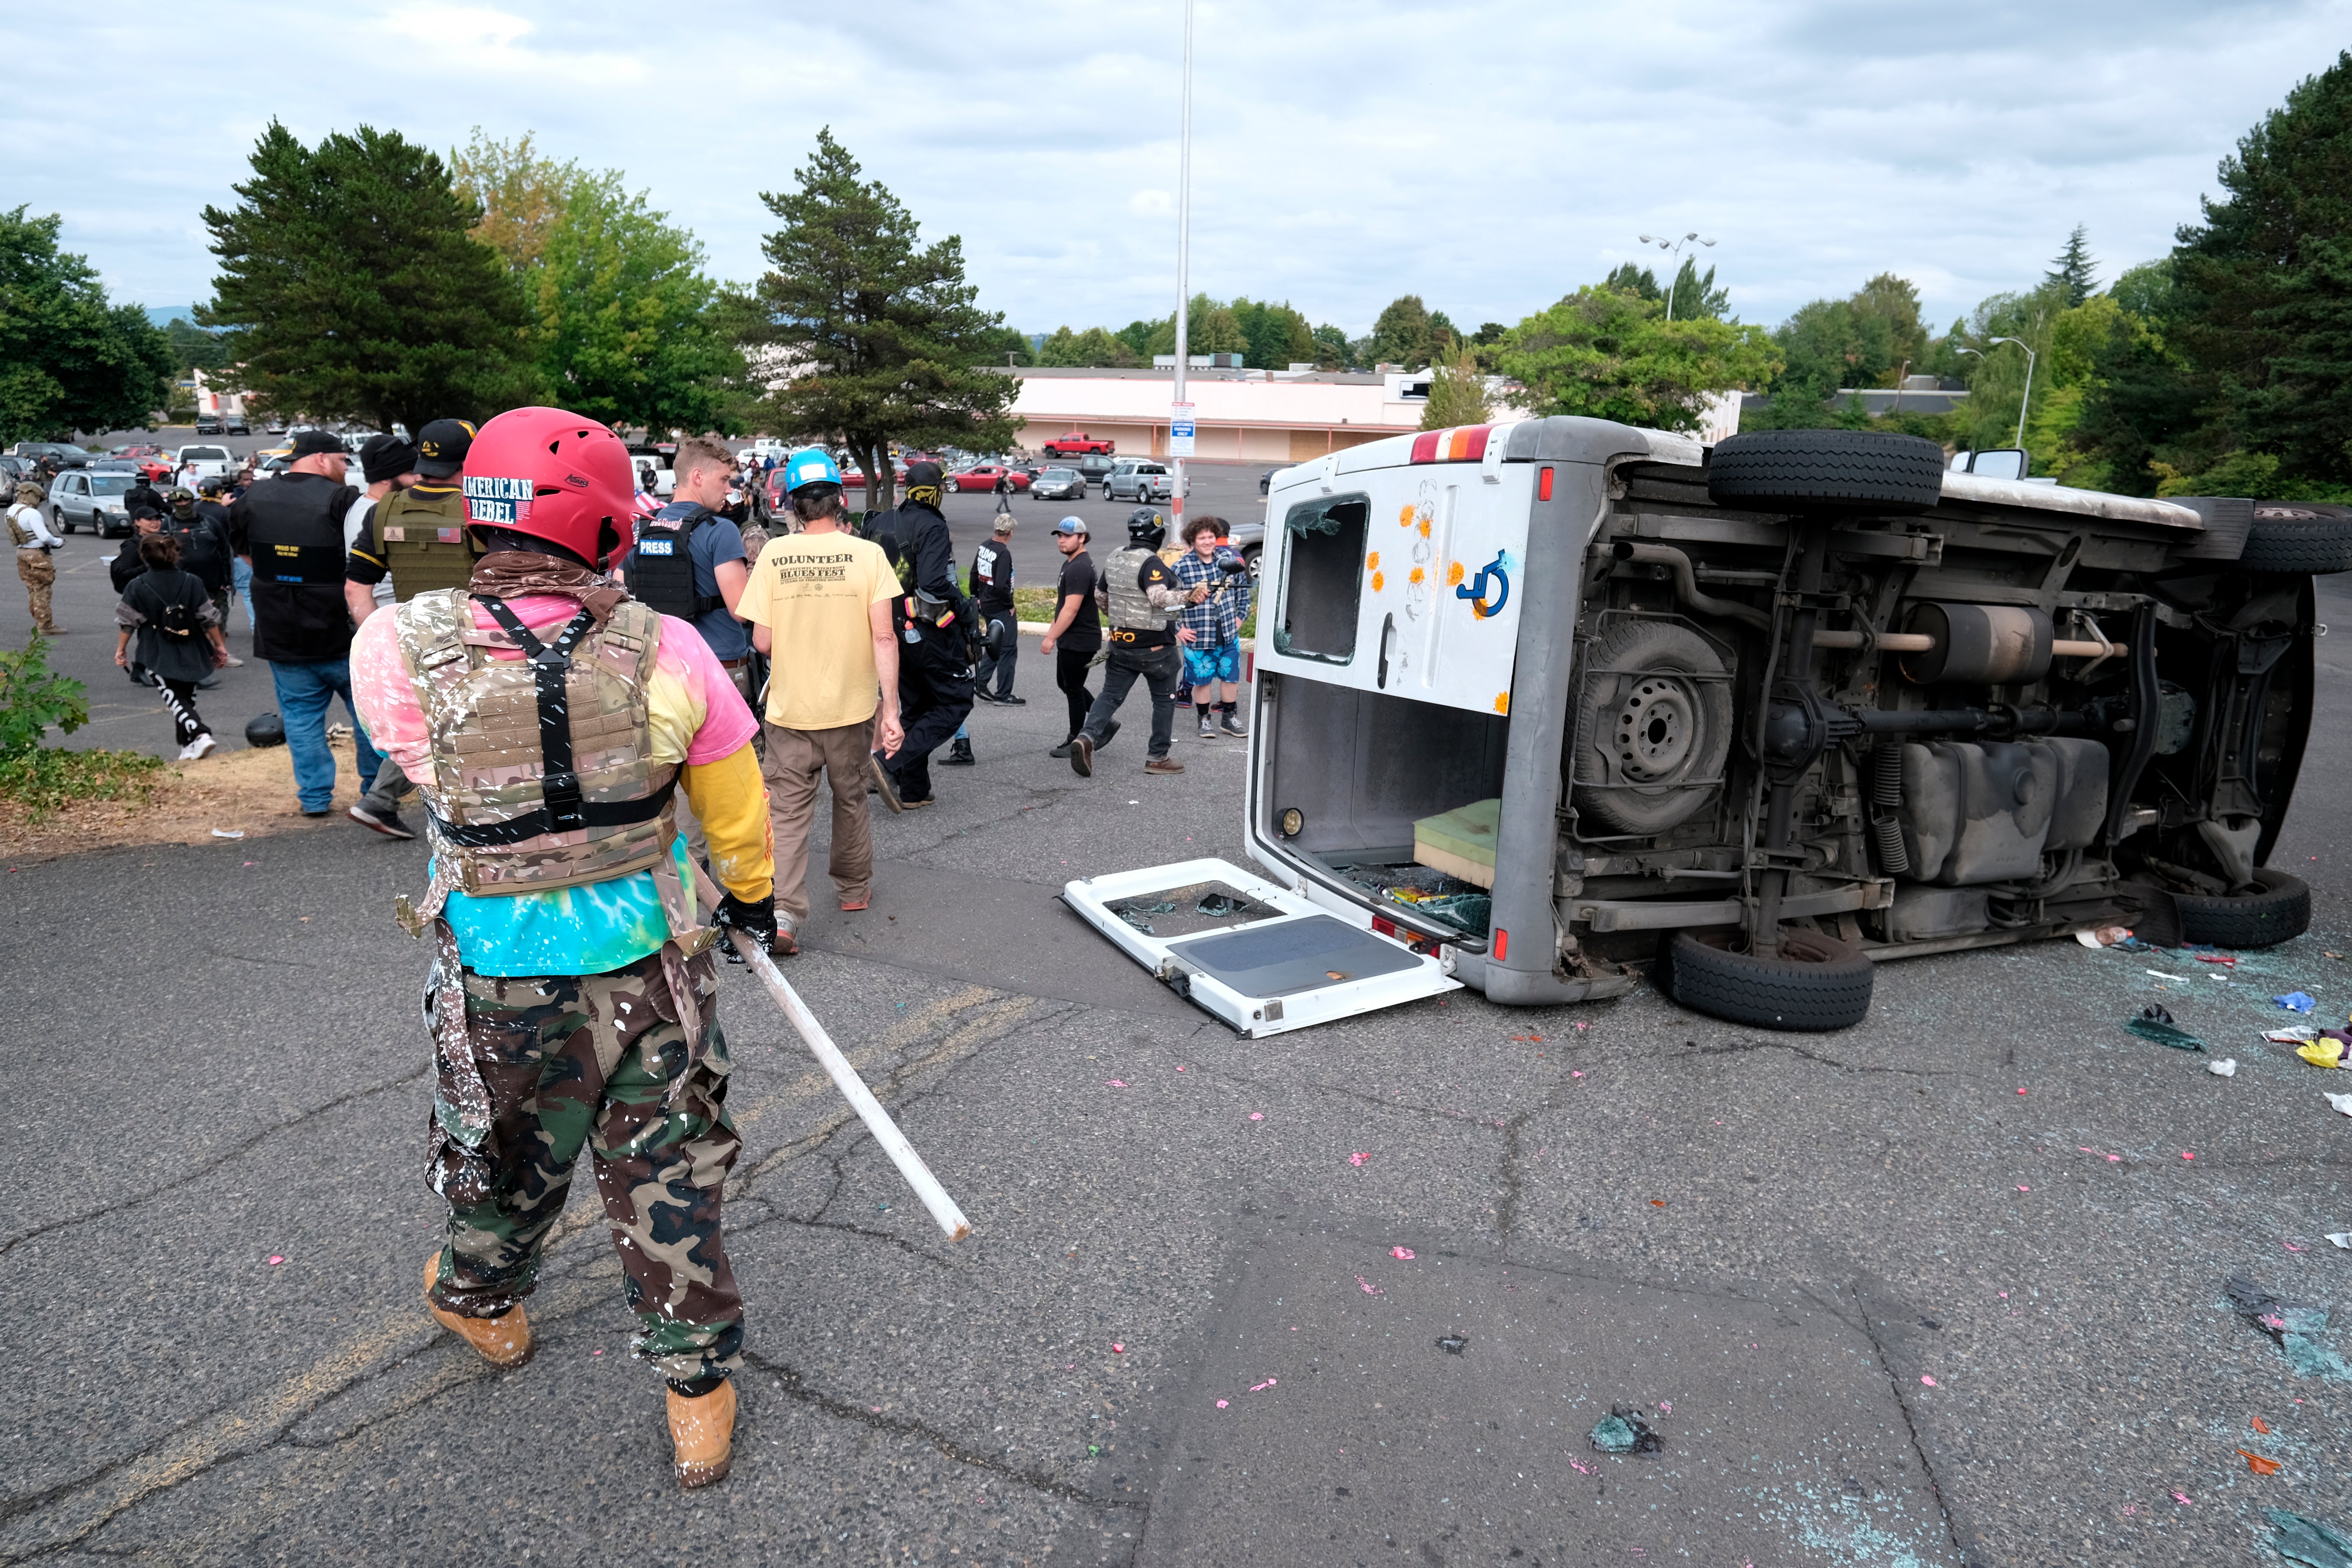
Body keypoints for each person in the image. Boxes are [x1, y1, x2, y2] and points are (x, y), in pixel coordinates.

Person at [350, 403, 776, 1491]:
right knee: (666, 1174)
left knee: (509, 1158)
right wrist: (754, 896)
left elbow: (424, 768)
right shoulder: (669, 648)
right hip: (649, 967)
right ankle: (696, 1389)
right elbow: (733, 809)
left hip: (498, 976)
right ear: (607, 528)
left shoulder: (396, 643)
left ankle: (475, 1292)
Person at [733, 449, 903, 938]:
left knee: (786, 810)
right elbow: (885, 637)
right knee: (850, 798)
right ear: (841, 500)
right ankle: (853, 890)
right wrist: (890, 710)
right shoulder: (868, 555)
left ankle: (784, 913)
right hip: (851, 710)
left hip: (790, 710)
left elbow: (762, 640)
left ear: (793, 506)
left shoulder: (773, 554)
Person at [229, 430, 385, 818]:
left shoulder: (254, 496)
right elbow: (364, 562)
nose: (346, 468)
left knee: (300, 718)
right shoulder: (343, 498)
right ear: (321, 457)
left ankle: (314, 797)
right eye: (342, 460)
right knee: (367, 715)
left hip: (280, 626)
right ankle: (373, 792)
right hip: (339, 627)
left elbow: (246, 555)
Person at [614, 437, 754, 861]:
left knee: (666, 772)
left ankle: (678, 874)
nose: (729, 490)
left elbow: (620, 594)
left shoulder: (644, 528)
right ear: (697, 476)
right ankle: (720, 885)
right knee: (722, 781)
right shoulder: (720, 531)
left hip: (659, 671)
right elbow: (742, 609)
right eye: (724, 479)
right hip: (720, 671)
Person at [1067, 508, 1190, 778]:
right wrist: (1189, 597)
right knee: (1164, 701)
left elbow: (1101, 596)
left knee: (1110, 696)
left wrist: (1122, 620)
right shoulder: (1152, 563)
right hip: (1156, 648)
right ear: (1158, 535)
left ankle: (1087, 737)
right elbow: (1160, 599)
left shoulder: (1115, 557)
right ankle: (1158, 757)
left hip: (1120, 644)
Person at [114, 530, 227, 759]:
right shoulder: (192, 581)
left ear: (144, 557)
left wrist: (121, 650)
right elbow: (209, 618)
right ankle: (186, 748)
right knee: (187, 697)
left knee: (173, 698)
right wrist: (220, 646)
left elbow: (128, 622)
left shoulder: (137, 585)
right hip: (193, 645)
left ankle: (200, 734)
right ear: (176, 554)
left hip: (156, 647)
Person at [1173, 515, 1250, 738]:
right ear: (1193, 541)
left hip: (1227, 631)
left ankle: (1229, 719)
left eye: (1210, 537)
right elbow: (1166, 601)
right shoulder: (1181, 567)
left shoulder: (1228, 558)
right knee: (1202, 680)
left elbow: (1242, 590)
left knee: (1230, 677)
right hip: (1198, 634)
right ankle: (1204, 720)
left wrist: (1242, 616)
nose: (1207, 542)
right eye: (1202, 538)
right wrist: (1178, 629)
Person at [1037, 517, 1105, 758]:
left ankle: (1076, 740)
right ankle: (1105, 723)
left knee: (1073, 689)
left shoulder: (1079, 568)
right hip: (1073, 639)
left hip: (1080, 640)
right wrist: (1052, 632)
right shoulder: (1073, 563)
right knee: (1065, 684)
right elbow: (1063, 606)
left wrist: (1051, 638)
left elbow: (1071, 609)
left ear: (1082, 538)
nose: (1062, 540)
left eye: (1067, 536)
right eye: (1060, 536)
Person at [340, 432, 424, 615]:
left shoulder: (362, 505)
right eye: (411, 473)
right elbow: (358, 588)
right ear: (385, 478)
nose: (418, 478)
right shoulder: (376, 516)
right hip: (386, 614)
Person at [162, 487, 239, 663]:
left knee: (219, 618)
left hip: (214, 582)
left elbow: (225, 551)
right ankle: (192, 657)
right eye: (178, 502)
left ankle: (221, 654)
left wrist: (226, 580)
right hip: (182, 586)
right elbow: (161, 556)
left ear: (192, 500)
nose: (182, 504)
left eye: (185, 500)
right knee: (185, 621)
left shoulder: (210, 523)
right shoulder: (168, 525)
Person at [969, 514, 1021, 705]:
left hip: (986, 605)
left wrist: (977, 597)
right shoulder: (1003, 553)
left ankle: (981, 682)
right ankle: (1004, 695)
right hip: (1000, 608)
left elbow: (975, 573)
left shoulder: (984, 546)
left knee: (993, 643)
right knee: (1007, 649)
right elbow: (1001, 585)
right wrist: (1010, 605)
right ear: (1011, 533)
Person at [9, 480, 65, 634]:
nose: (39, 502)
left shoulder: (12, 511)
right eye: (38, 498)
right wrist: (59, 542)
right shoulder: (31, 513)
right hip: (36, 555)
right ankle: (45, 625)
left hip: (22, 553)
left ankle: (38, 621)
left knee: (33, 590)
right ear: (31, 496)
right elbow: (45, 537)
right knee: (43, 590)